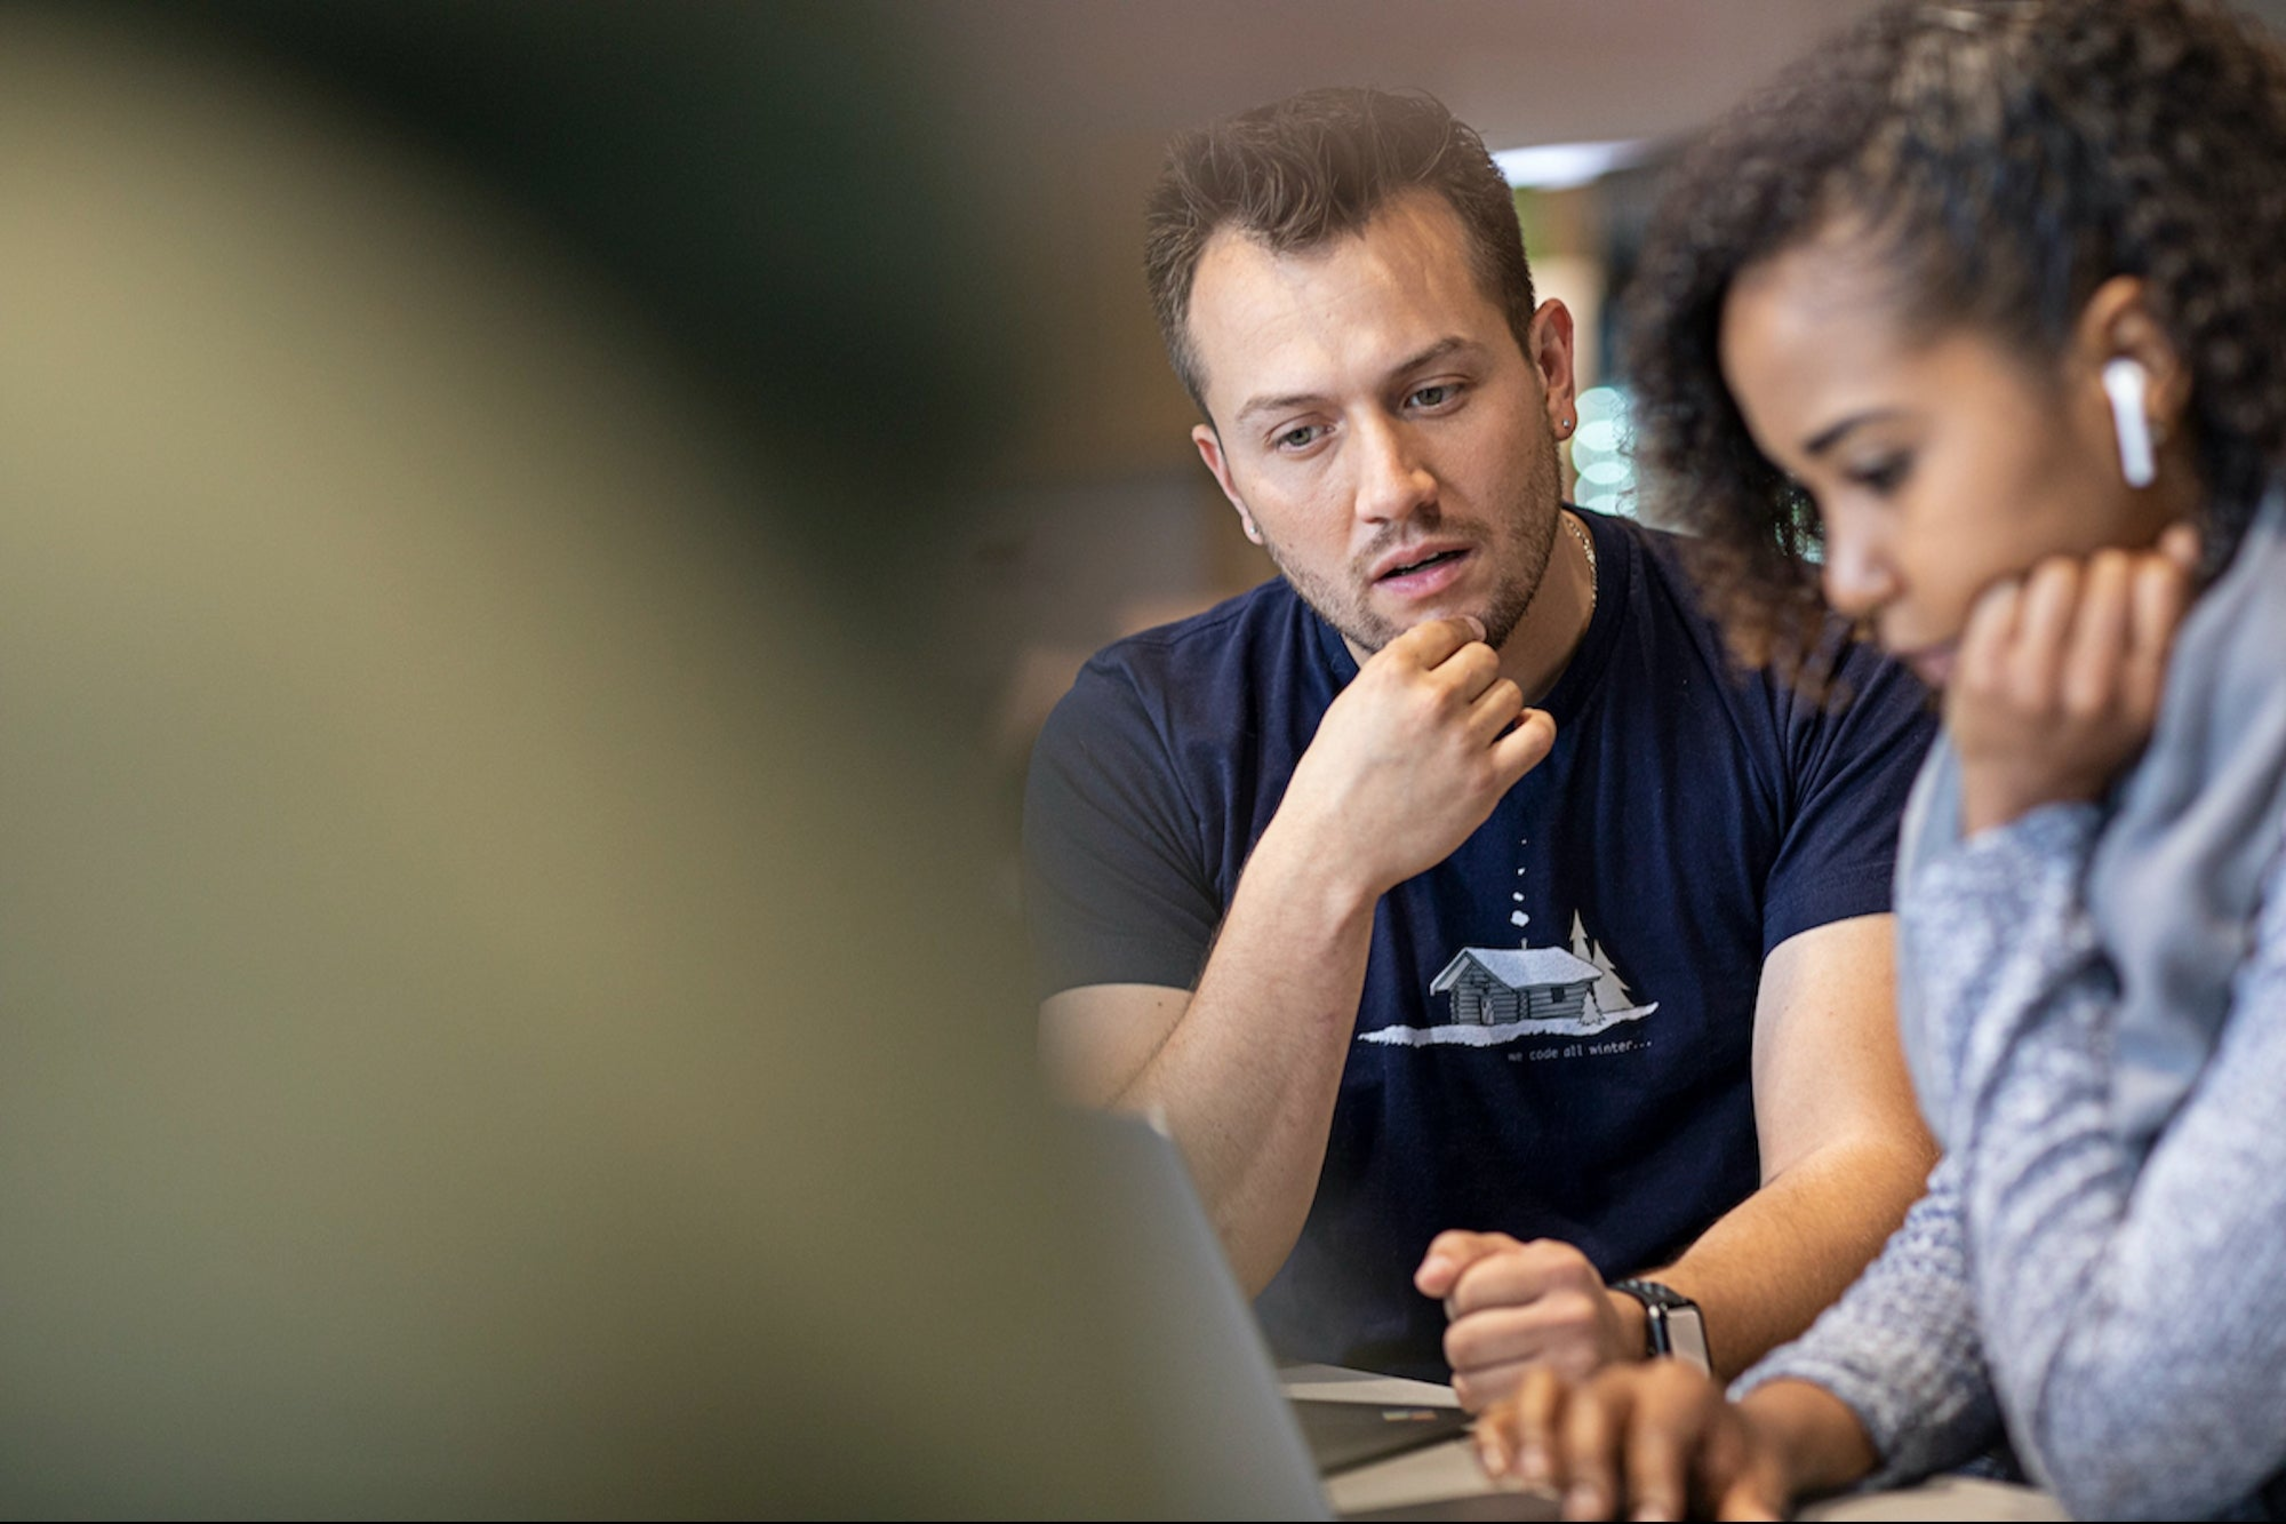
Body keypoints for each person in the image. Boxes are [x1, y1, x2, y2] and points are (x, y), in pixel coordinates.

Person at [1472, 1, 2286, 1518]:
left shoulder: (2040, 779)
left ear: (2134, 368)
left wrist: (2017, 845)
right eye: (1811, 497)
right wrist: (1791, 1421)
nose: (1847, 575)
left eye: (1884, 469)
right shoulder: (2093, 711)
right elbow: (2023, 1186)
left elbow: (2132, 1434)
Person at [1022, 86, 1941, 1396]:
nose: (1390, 488)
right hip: (1329, 1456)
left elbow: (1865, 1162)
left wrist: (1636, 1334)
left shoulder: (1814, 664)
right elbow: (1138, 1269)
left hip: (1719, 1406)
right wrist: (1325, 858)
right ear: (1232, 481)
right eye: (1300, 434)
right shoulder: (1139, 736)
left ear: (1551, 370)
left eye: (1435, 391)